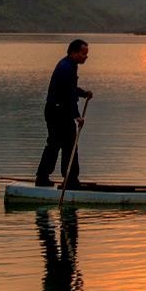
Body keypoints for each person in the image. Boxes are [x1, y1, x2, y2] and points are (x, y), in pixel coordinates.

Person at [34, 38, 94, 188]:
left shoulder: (70, 65)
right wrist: (77, 116)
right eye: (83, 53)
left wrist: (84, 93)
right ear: (74, 53)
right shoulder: (66, 67)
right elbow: (68, 95)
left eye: (86, 54)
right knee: (62, 144)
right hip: (58, 111)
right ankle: (66, 180)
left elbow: (72, 90)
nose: (85, 57)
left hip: (59, 110)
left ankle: (57, 178)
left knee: (63, 144)